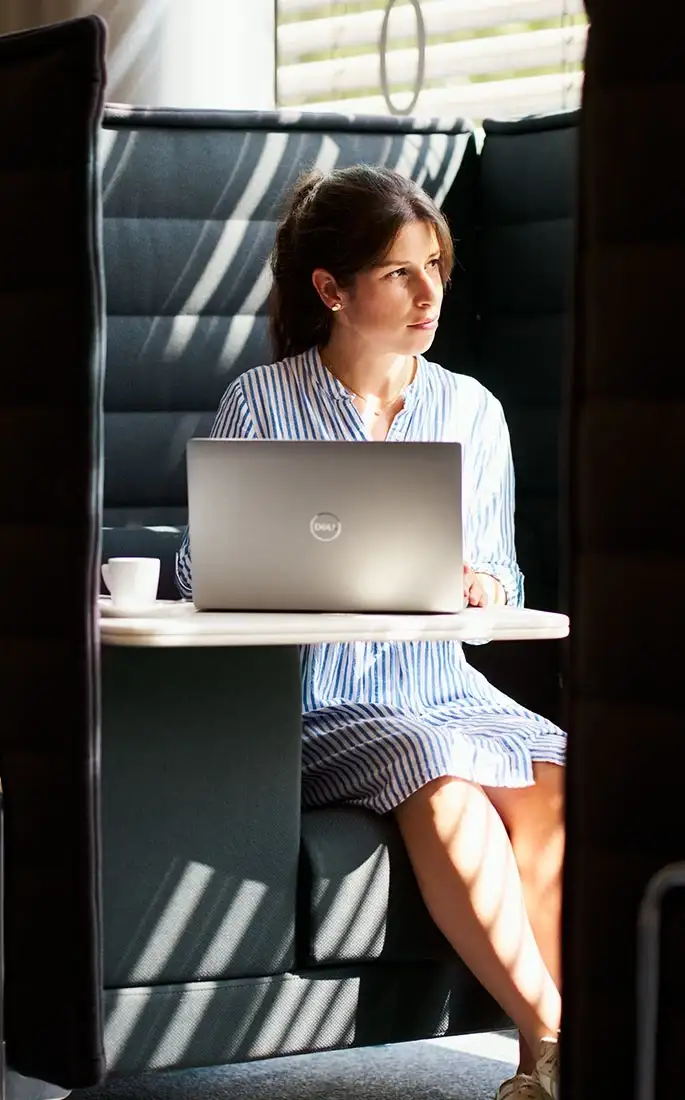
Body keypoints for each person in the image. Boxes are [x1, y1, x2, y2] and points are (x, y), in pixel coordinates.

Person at [176, 165, 566, 1100]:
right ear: (332, 289)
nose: (430, 292)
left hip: (446, 690)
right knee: (436, 766)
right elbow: (201, 574)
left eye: (435, 265)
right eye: (399, 273)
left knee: (553, 781)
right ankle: (554, 1039)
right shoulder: (262, 404)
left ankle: (552, 1066)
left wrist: (480, 584)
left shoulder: (473, 412)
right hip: (320, 703)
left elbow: (505, 580)